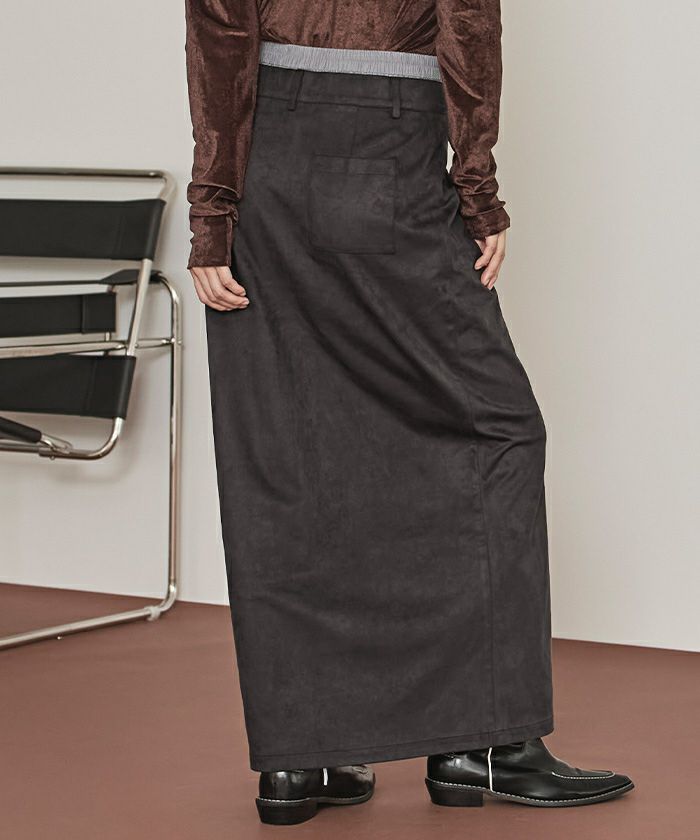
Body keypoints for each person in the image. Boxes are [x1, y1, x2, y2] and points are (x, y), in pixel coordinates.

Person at [184, 0, 634, 825]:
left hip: (264, 168)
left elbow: (219, 28)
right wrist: (478, 189)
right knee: (498, 429)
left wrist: (213, 211)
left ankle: (301, 759)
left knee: (290, 448)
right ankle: (485, 744)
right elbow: (466, 24)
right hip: (381, 148)